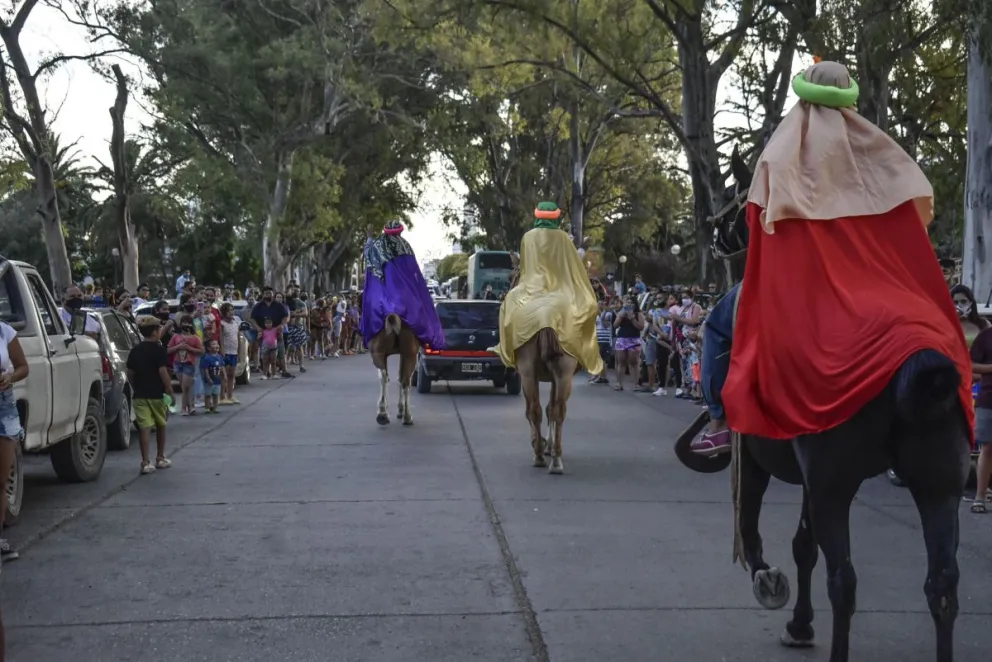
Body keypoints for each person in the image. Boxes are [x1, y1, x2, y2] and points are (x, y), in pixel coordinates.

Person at [693, 59, 972, 454]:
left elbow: (761, 227)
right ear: (850, 102)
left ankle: (719, 422)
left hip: (803, 284)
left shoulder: (780, 157)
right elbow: (913, 221)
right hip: (877, 284)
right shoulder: (883, 154)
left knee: (719, 325)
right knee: (931, 326)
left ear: (804, 101)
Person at [126, 316, 175, 475]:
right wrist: (169, 389)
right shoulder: (159, 350)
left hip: (140, 395)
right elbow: (163, 371)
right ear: (155, 332)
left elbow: (130, 373)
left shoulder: (135, 350)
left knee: (144, 428)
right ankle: (160, 458)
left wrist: (135, 387)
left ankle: (145, 462)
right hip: (157, 394)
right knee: (161, 425)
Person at [0, 319, 28, 563]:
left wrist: (10, 377)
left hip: (3, 407)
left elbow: (23, 367)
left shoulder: (4, 330)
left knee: (1, 479)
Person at [167, 314, 204, 415]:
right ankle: (190, 406)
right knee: (185, 387)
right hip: (178, 364)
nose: (186, 325)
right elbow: (168, 349)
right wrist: (178, 346)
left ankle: (185, 408)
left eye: (188, 323)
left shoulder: (195, 338)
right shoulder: (176, 336)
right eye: (184, 322)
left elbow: (201, 351)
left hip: (189, 363)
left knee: (185, 386)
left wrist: (189, 348)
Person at [612, 295, 644, 391]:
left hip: (634, 339)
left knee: (633, 362)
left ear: (635, 304)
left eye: (631, 303)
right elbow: (615, 325)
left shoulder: (639, 314)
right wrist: (621, 316)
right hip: (622, 338)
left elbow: (640, 327)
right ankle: (619, 383)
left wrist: (632, 318)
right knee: (621, 361)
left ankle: (635, 383)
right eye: (628, 303)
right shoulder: (621, 313)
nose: (629, 304)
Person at [218, 303, 241, 405]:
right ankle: (222, 396)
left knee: (232, 374)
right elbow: (221, 338)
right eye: (228, 310)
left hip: (234, 352)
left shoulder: (235, 323)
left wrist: (239, 351)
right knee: (224, 375)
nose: (231, 312)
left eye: (232, 310)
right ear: (223, 313)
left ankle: (230, 395)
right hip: (226, 352)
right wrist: (222, 350)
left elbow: (238, 337)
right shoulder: (222, 324)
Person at [200, 340, 225, 413]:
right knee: (208, 394)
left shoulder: (219, 357)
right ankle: (207, 407)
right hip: (209, 380)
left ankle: (215, 407)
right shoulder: (207, 358)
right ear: (208, 348)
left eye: (217, 344)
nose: (217, 345)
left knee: (216, 394)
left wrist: (224, 375)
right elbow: (205, 369)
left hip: (217, 380)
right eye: (214, 344)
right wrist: (208, 378)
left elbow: (222, 366)